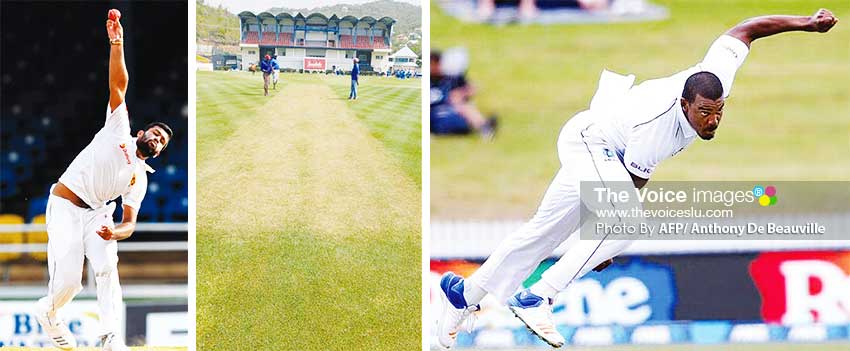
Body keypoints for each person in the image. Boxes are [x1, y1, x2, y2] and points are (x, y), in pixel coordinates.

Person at [435, 9, 838, 349]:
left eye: (718, 111)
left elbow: (746, 29)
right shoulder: (657, 125)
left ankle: (463, 294)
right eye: (703, 113)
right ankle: (538, 296)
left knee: (543, 234)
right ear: (685, 103)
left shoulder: (716, 78)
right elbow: (628, 188)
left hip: (607, 148)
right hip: (590, 144)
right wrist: (603, 247)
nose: (712, 120)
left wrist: (806, 23)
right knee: (628, 222)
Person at [35, 13, 173, 351]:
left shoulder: (139, 179)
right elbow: (118, 85)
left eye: (160, 143)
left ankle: (110, 337)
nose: (155, 140)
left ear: (156, 154)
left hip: (98, 215)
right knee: (68, 281)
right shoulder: (118, 130)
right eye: (154, 134)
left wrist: (115, 233)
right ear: (141, 133)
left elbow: (129, 224)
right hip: (65, 206)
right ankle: (49, 313)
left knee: (108, 267)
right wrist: (117, 42)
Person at [430, 50, 497, 139]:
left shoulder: (451, 76)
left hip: (451, 109)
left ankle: (484, 127)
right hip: (433, 113)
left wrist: (460, 93)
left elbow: (472, 88)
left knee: (463, 105)